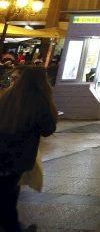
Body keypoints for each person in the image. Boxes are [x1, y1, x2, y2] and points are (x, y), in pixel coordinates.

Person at [0, 66, 58, 231]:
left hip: (3, 152)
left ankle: (12, 224)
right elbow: (48, 128)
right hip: (18, 156)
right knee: (8, 193)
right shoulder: (39, 101)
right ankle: (13, 227)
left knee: (8, 189)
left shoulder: (8, 96)